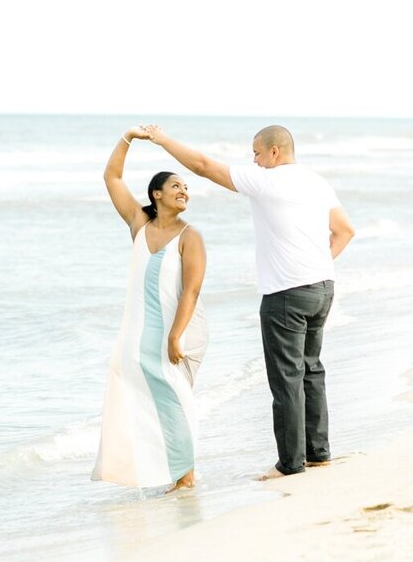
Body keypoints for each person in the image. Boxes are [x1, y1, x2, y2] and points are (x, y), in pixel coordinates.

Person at [142, 124, 354, 480]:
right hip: (321, 287)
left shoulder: (266, 180)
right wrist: (317, 265)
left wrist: (162, 139)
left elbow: (203, 166)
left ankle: (290, 464)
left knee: (286, 378)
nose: (253, 160)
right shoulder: (317, 181)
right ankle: (319, 454)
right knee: (311, 370)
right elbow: (345, 230)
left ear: (274, 152)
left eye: (256, 153)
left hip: (286, 294)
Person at [91, 126, 208, 493]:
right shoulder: (139, 225)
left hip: (183, 329)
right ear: (156, 194)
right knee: (139, 402)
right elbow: (112, 177)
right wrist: (128, 138)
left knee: (176, 402)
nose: (183, 191)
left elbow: (191, 290)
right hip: (140, 333)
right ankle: (165, 473)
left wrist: (176, 335)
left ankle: (186, 476)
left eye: (186, 187)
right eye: (176, 186)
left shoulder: (191, 236)